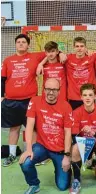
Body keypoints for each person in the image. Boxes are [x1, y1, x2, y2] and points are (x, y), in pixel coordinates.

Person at [19, 78, 73, 193]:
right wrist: (28, 149)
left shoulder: (66, 106)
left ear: (59, 91)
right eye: (48, 89)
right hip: (42, 146)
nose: (50, 92)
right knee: (26, 162)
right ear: (43, 89)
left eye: (54, 89)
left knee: (62, 186)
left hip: (60, 150)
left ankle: (62, 169)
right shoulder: (35, 101)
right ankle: (34, 184)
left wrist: (67, 156)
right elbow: (29, 126)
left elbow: (68, 133)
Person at [1, 34, 46, 167]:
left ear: (28, 45)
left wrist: (41, 63)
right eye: (19, 42)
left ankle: (34, 154)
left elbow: (52, 51)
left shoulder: (35, 57)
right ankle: (12, 154)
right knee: (14, 128)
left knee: (32, 129)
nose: (21, 44)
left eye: (23, 42)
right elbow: (2, 79)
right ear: (15, 44)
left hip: (30, 100)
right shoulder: (8, 60)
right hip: (11, 101)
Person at [70, 83, 96, 194]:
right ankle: (77, 180)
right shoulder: (76, 113)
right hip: (85, 145)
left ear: (95, 96)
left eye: (90, 95)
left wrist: (93, 133)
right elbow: (74, 137)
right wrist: (93, 144)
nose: (87, 97)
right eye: (85, 95)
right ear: (81, 97)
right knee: (74, 148)